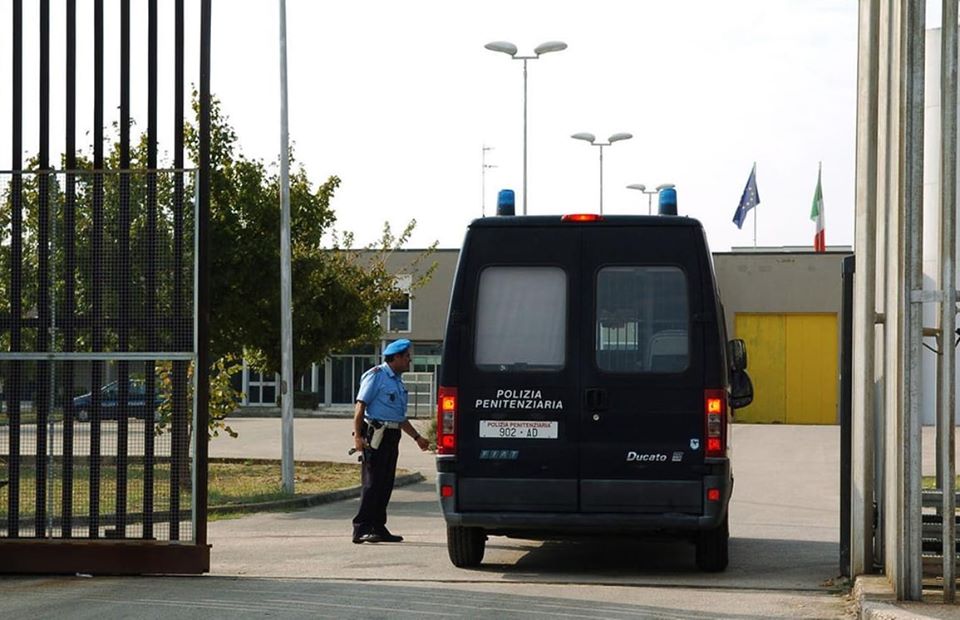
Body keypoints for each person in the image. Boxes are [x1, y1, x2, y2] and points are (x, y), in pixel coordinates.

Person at [351, 338, 430, 543]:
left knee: (385, 483)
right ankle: (361, 528)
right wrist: (358, 436)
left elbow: (399, 417)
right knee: (372, 482)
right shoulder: (376, 375)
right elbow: (360, 407)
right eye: (406, 357)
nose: (409, 361)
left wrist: (417, 437)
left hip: (392, 435)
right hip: (375, 434)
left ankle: (378, 526)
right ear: (395, 357)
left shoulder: (397, 381)